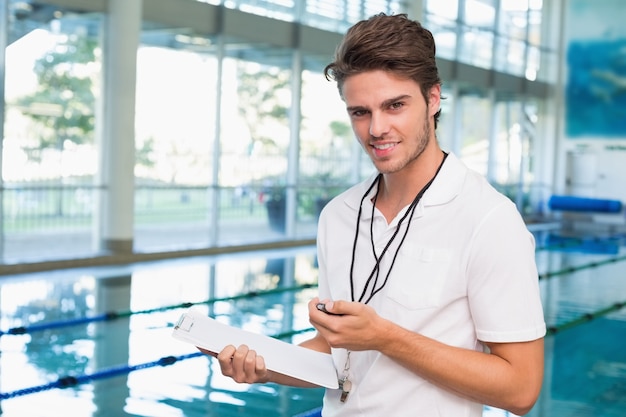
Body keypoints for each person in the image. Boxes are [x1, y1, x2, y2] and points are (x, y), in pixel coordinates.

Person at [205, 12, 546, 416]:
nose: (376, 129)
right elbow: (340, 352)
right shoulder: (338, 215)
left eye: (395, 105)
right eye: (360, 112)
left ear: (433, 98)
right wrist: (265, 367)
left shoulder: (488, 219)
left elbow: (520, 390)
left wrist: (385, 337)